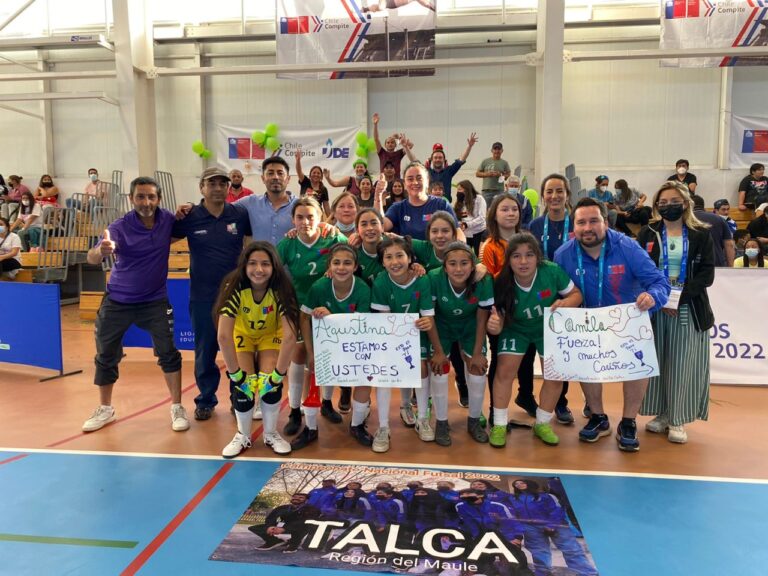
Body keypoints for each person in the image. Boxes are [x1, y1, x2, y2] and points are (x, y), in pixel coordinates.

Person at [554, 197, 670, 452]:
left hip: (629, 324)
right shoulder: (563, 255)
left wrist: (653, 297)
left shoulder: (628, 247)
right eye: (581, 222)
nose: (588, 227)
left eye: (594, 221)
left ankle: (628, 421)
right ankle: (598, 417)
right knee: (587, 366)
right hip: (587, 327)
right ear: (573, 226)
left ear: (606, 222)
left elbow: (660, 283)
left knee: (637, 367)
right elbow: (557, 292)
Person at [81, 176, 189, 433]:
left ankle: (176, 407)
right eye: (141, 196)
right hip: (118, 300)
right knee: (106, 355)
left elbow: (183, 227)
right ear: (132, 199)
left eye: (151, 196)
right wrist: (102, 250)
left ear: (158, 199)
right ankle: (105, 409)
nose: (146, 201)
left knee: (168, 352)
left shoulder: (166, 221)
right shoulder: (119, 226)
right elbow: (92, 257)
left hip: (155, 301)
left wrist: (187, 211)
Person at [171, 167, 253, 421]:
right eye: (212, 183)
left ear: (229, 187)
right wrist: (174, 216)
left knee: (238, 350)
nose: (218, 188)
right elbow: (165, 238)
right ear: (201, 188)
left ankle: (238, 397)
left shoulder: (239, 214)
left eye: (222, 183)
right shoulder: (190, 216)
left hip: (236, 295)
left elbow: (248, 247)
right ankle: (205, 400)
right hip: (202, 296)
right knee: (205, 351)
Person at [486, 233, 582, 448]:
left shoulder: (551, 271)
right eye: (516, 256)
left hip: (547, 328)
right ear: (508, 259)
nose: (523, 261)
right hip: (516, 329)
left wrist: (568, 302)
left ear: (537, 257)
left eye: (529, 255)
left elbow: (576, 294)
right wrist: (495, 324)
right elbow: (498, 317)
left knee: (555, 375)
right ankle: (500, 424)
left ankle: (542, 423)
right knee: (504, 371)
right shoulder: (501, 280)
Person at [637, 181, 714, 444]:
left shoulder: (701, 234)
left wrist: (678, 298)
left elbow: (707, 275)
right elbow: (640, 270)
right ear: (657, 206)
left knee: (681, 364)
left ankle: (678, 418)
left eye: (673, 201)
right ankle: (661, 413)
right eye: (663, 202)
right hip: (655, 307)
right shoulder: (648, 233)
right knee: (657, 362)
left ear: (685, 202)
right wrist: (659, 299)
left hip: (687, 305)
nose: (668, 206)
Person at [216, 241, 299, 457]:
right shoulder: (234, 287)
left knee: (268, 385)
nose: (259, 269)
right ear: (244, 266)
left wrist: (278, 375)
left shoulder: (281, 288)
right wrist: (236, 375)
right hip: (242, 335)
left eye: (265, 264)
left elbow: (290, 336)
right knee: (243, 386)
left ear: (274, 267)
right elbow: (224, 336)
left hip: (270, 336)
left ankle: (270, 433)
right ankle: (242, 435)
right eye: (252, 263)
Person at [277, 197, 348, 447]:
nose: (305, 221)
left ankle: (326, 402)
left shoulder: (332, 238)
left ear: (320, 218)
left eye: (310, 216)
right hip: (299, 308)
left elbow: (351, 256)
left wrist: (337, 233)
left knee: (326, 356)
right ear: (293, 219)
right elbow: (272, 269)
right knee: (298, 355)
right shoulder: (288, 243)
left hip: (328, 309)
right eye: (300, 217)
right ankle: (295, 410)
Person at [370, 236, 439, 452]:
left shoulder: (422, 280)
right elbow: (384, 320)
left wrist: (427, 322)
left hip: (416, 335)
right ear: (382, 262)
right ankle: (383, 427)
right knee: (384, 373)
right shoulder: (381, 282)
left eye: (400, 255)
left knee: (420, 367)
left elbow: (429, 316)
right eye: (388, 257)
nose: (395, 261)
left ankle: (423, 418)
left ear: (410, 258)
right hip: (390, 336)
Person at [301, 244, 374, 448]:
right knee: (311, 372)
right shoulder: (319, 287)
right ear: (329, 266)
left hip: (353, 345)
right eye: (336, 262)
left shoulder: (362, 289)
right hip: (324, 345)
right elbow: (304, 319)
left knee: (364, 376)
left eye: (347, 263)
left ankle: (357, 424)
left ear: (355, 266)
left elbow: (359, 326)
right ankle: (311, 427)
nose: (341, 267)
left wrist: (331, 317)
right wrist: (310, 351)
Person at [428, 241, 494, 444]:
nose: (458, 269)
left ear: (473, 265)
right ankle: (441, 422)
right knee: (439, 369)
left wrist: (477, 353)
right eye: (452, 264)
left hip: (470, 325)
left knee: (477, 369)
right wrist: (438, 352)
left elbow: (483, 316)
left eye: (464, 263)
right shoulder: (433, 278)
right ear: (444, 266)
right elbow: (428, 315)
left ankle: (474, 420)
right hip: (441, 325)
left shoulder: (482, 280)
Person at [525, 174, 574, 424]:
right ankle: (529, 396)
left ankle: (561, 402)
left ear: (567, 194)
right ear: (543, 196)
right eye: (549, 192)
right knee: (535, 351)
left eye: (559, 191)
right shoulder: (535, 225)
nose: (554, 196)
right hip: (539, 295)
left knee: (560, 355)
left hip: (570, 295)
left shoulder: (577, 222)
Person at [481, 193, 523, 420]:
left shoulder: (527, 239)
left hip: (524, 309)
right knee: (499, 361)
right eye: (504, 209)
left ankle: (525, 396)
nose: (510, 214)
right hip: (500, 310)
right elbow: (487, 280)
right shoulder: (490, 246)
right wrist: (510, 270)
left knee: (525, 359)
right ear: (494, 215)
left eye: (514, 209)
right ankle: (494, 412)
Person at [507, 479, 597, 576]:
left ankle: (587, 573)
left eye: (522, 482)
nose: (519, 485)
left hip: (556, 524)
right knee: (538, 551)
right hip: (531, 527)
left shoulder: (546, 496)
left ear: (530, 483)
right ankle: (543, 572)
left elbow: (557, 510)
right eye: (516, 484)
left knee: (570, 549)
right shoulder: (514, 499)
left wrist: (551, 525)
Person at [384, 161, 460, 241]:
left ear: (427, 181)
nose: (415, 182)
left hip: (435, 253)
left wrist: (458, 250)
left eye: (419, 178)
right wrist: (378, 197)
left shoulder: (442, 205)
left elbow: (458, 233)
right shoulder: (398, 208)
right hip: (408, 253)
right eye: (410, 179)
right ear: (405, 184)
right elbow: (381, 227)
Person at [235, 156, 296, 245]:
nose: (275, 177)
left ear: (288, 179)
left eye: (280, 173)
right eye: (270, 173)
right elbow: (225, 209)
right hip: (260, 259)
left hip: (289, 259)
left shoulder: (299, 205)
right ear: (263, 178)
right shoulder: (250, 202)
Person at [248, 493, 321, 552]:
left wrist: (284, 529)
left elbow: (304, 521)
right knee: (255, 528)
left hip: (300, 527)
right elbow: (271, 517)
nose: (296, 498)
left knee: (303, 527)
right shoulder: (283, 507)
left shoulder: (311, 509)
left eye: (301, 497)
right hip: (283, 525)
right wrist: (270, 526)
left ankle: (294, 545)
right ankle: (273, 541)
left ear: (306, 500)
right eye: (294, 496)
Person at [426, 135, 478, 203]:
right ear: (432, 159)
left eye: (440, 157)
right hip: (430, 205)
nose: (438, 159)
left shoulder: (449, 171)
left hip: (446, 206)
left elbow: (461, 160)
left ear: (444, 159)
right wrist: (407, 148)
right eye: (435, 158)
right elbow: (414, 161)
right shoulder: (426, 172)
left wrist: (469, 146)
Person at [692, 194, 734, 267]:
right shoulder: (720, 219)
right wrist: (730, 267)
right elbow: (729, 245)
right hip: (716, 263)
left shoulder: (684, 220)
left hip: (691, 265)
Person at [454, 180, 487, 255]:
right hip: (466, 233)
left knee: (479, 254)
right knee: (465, 254)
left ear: (467, 189)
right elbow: (458, 217)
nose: (458, 192)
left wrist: (467, 224)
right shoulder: (460, 201)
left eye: (460, 189)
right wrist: (460, 224)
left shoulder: (479, 199)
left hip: (478, 232)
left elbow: (482, 217)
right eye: (457, 190)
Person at [295, 148, 331, 216]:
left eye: (318, 173)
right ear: (310, 175)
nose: (316, 174)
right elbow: (299, 171)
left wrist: (332, 220)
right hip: (302, 213)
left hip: (317, 216)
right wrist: (298, 160)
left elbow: (326, 207)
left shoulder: (323, 189)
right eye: (314, 173)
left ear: (321, 176)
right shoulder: (305, 182)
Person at [475, 142, 512, 207]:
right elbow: (477, 174)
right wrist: (487, 174)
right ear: (492, 150)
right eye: (495, 149)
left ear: (502, 151)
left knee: (499, 208)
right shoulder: (485, 161)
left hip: (499, 191)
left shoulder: (504, 163)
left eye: (499, 149)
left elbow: (508, 175)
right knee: (485, 210)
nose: (497, 151)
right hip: (486, 191)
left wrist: (500, 174)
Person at [372, 112, 408, 177]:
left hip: (396, 184)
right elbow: (376, 139)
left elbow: (411, 146)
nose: (390, 144)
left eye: (392, 142)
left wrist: (402, 141)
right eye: (388, 142)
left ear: (395, 144)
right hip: (384, 182)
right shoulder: (382, 152)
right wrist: (375, 125)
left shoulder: (399, 153)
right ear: (385, 145)